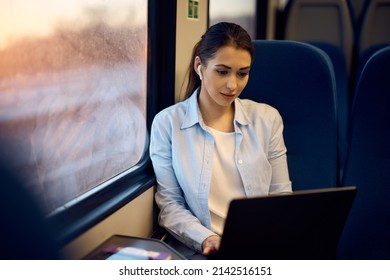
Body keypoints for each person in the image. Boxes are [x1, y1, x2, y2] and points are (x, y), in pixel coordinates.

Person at [149, 22, 292, 257]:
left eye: (242, 73)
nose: (232, 85)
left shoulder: (268, 119)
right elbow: (171, 206)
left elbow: (281, 197)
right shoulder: (167, 124)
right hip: (204, 249)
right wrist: (208, 238)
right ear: (199, 66)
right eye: (222, 71)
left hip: (260, 246)